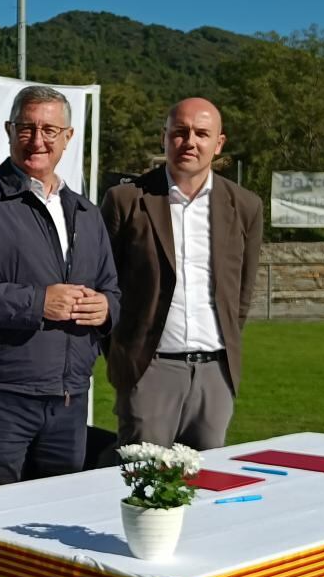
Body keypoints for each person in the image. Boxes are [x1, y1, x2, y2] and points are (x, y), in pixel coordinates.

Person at [0, 85, 121, 490]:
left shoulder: (86, 212)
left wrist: (107, 309)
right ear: (9, 131)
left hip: (68, 401)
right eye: (27, 128)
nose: (37, 140)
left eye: (50, 130)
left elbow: (111, 290)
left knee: (54, 524)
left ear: (67, 138)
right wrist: (37, 303)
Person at [101, 97, 263, 450]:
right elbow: (104, 285)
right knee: (144, 488)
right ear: (165, 137)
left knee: (208, 488)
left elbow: (242, 294)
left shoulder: (246, 206)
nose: (190, 141)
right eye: (180, 131)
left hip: (216, 373)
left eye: (202, 134)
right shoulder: (125, 199)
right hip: (149, 369)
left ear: (218, 143)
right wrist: (122, 355)